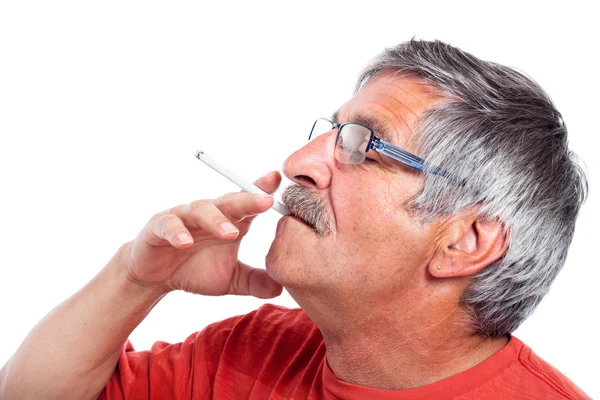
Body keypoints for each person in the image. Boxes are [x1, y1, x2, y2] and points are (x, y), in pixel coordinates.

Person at [0, 39, 590, 399]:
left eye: (363, 144)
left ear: (465, 240)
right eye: (329, 132)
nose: (297, 163)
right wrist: (137, 279)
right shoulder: (257, 348)